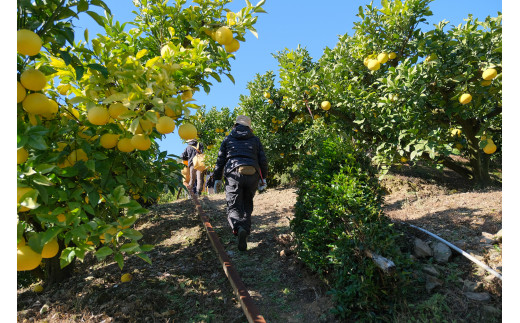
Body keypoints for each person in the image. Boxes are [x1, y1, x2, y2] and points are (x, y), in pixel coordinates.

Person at [213, 115, 268, 251]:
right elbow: (263, 160)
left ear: (235, 126)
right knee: (247, 204)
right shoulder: (255, 139)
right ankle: (245, 230)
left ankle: (238, 228)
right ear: (249, 127)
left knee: (233, 206)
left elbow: (220, 160)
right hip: (252, 174)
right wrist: (264, 178)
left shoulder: (228, 139)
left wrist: (217, 178)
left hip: (234, 173)